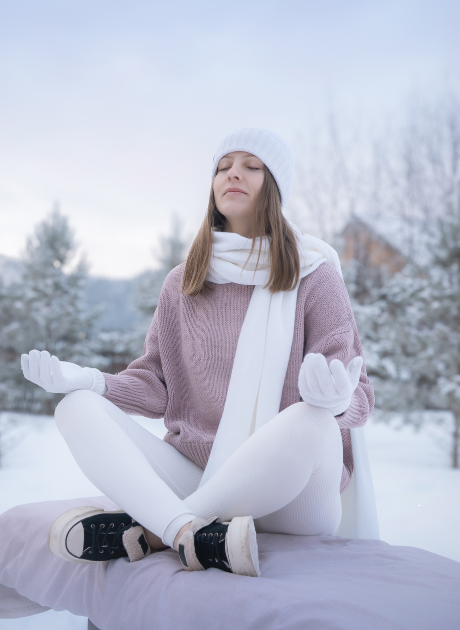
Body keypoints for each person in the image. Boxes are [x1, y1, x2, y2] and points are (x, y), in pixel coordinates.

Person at [22, 127, 374, 578]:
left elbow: (359, 394)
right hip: (201, 473)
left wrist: (337, 400)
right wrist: (89, 381)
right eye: (223, 167)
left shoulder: (314, 275)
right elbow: (155, 385)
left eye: (251, 166)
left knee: (310, 419)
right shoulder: (184, 281)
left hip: (292, 495)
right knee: (76, 409)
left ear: (275, 187)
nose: (233, 175)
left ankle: (155, 532)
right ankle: (189, 529)